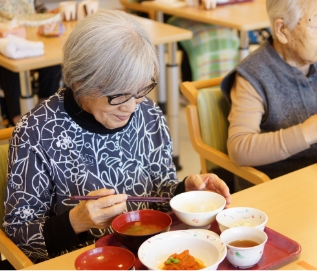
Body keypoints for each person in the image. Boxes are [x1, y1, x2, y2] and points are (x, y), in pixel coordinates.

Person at [3, 9, 231, 263]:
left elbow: (159, 192)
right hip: (84, 261)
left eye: (141, 90)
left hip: (153, 255)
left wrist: (184, 191)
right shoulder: (36, 132)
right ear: (80, 82)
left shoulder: (148, 113)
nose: (132, 107)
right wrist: (76, 221)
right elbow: (18, 237)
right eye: (119, 96)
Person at [220, 0, 317, 180]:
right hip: (278, 187)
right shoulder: (253, 76)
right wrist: (307, 133)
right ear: (282, 30)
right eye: (316, 23)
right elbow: (239, 149)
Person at [0, 0, 62, 126]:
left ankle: (44, 108)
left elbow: (37, 7)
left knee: (51, 64)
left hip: (31, 34)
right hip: (6, 36)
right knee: (9, 68)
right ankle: (15, 117)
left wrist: (46, 13)